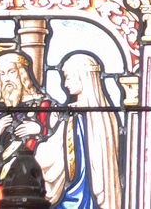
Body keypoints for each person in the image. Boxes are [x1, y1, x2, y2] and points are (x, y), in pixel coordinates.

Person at [35, 54, 127, 209]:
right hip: (81, 191)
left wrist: (36, 148)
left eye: (68, 77)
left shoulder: (83, 115)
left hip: (80, 196)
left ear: (83, 77)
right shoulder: (102, 114)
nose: (65, 84)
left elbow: (57, 154)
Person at [0, 49, 56, 209]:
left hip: (34, 189)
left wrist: (40, 130)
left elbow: (59, 142)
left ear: (22, 74)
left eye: (11, 72)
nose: (6, 79)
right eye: (2, 74)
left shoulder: (43, 106)